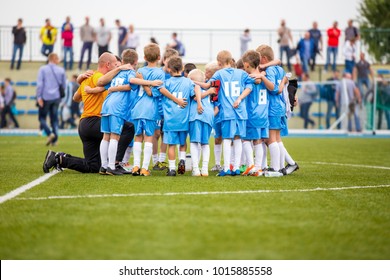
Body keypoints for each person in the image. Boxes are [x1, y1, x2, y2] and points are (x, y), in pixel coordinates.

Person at [42, 52, 132, 174]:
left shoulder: (88, 77)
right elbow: (100, 82)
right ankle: (116, 163)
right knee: (128, 128)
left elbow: (76, 97)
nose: (116, 68)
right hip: (95, 121)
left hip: (85, 124)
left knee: (93, 166)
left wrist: (83, 81)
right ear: (108, 65)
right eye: (115, 65)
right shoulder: (98, 76)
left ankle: (59, 158)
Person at [96, 48, 163, 175]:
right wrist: (151, 82)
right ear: (136, 61)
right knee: (115, 136)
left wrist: (112, 88)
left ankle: (104, 166)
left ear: (122, 60)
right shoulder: (131, 72)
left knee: (106, 136)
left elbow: (101, 84)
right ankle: (111, 166)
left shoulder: (116, 73)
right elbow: (132, 81)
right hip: (118, 107)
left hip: (106, 105)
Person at [194, 50, 253, 176]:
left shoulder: (219, 74)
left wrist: (192, 81)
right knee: (237, 139)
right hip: (241, 112)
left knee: (227, 139)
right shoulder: (242, 73)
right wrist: (240, 98)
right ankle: (236, 168)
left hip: (228, 112)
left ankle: (226, 168)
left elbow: (206, 85)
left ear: (219, 63)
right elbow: (250, 86)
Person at [162, 56, 198, 176]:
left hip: (170, 119)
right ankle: (182, 160)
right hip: (183, 119)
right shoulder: (188, 82)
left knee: (171, 145)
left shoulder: (167, 83)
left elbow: (158, 91)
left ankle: (172, 169)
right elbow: (194, 96)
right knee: (182, 143)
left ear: (169, 69)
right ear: (182, 68)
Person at [152, 48, 180, 171]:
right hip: (157, 108)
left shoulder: (175, 74)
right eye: (170, 61)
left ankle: (162, 160)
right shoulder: (158, 73)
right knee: (156, 133)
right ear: (164, 60)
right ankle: (154, 160)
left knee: (166, 134)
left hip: (169, 109)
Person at [187, 69, 214, 176]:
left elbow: (196, 90)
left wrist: (199, 103)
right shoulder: (211, 89)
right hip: (208, 116)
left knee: (194, 142)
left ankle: (196, 169)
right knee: (205, 143)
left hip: (196, 116)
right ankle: (205, 169)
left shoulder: (194, 87)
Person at [36, 53, 66, 146]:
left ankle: (49, 133)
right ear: (53, 59)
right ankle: (55, 140)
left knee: (41, 117)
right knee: (54, 119)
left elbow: (40, 84)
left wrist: (39, 97)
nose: (59, 60)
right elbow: (64, 85)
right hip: (56, 97)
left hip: (45, 97)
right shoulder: (61, 70)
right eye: (57, 58)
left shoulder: (43, 69)